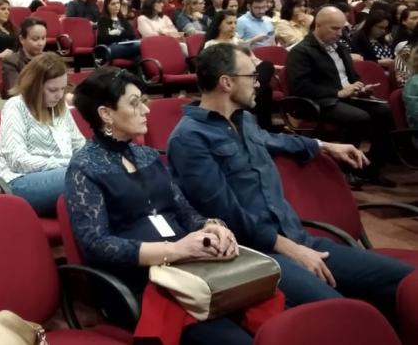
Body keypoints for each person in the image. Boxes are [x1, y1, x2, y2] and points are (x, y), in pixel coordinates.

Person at [168, 43, 413, 315]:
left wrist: (325, 145)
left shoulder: (244, 120)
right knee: (343, 314)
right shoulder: (189, 138)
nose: (258, 83)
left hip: (297, 238)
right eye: (252, 76)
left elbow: (274, 140)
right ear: (226, 82)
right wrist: (292, 250)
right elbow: (226, 215)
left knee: (407, 282)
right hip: (255, 255)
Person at [65, 67, 249, 345]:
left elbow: (184, 211)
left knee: (265, 313)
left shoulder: (147, 155)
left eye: (144, 101)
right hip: (141, 283)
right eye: (135, 103)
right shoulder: (84, 168)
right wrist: (174, 250)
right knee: (234, 339)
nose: (146, 110)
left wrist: (211, 227)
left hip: (190, 268)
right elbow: (96, 244)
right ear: (106, 114)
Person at [286, 7, 396, 186]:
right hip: (319, 100)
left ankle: (370, 168)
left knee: (385, 111)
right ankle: (344, 169)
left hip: (348, 96)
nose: (340, 33)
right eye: (335, 28)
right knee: (359, 118)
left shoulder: (341, 48)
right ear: (318, 25)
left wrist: (361, 87)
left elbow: (352, 76)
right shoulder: (301, 51)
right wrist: (337, 92)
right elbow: (301, 87)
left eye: (342, 28)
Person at [0, 53, 85, 216]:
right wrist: (67, 164)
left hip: (63, 174)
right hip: (20, 181)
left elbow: (80, 145)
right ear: (35, 86)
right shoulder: (15, 106)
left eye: (62, 89)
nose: (59, 95)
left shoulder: (60, 107)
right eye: (53, 90)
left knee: (101, 170)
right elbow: (17, 161)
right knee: (82, 175)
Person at [203, 11, 276, 129]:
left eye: (235, 23)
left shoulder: (237, 41)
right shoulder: (211, 45)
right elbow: (214, 69)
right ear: (219, 25)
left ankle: (252, 98)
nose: (233, 26)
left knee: (267, 67)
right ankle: (250, 100)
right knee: (265, 89)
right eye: (229, 23)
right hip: (230, 77)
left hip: (246, 75)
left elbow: (254, 60)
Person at [1, 17, 48, 93]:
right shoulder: (11, 62)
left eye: (43, 38)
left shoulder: (50, 60)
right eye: (35, 39)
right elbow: (14, 91)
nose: (41, 43)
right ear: (22, 39)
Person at [94, 0, 140, 65]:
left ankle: (140, 72)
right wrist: (123, 34)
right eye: (113, 4)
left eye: (118, 3)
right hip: (109, 48)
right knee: (139, 46)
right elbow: (105, 38)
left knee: (139, 56)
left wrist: (117, 33)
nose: (116, 6)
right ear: (107, 6)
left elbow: (131, 35)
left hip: (125, 45)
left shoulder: (122, 19)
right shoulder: (103, 20)